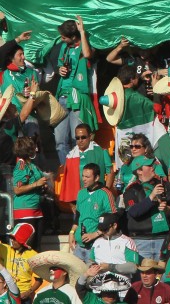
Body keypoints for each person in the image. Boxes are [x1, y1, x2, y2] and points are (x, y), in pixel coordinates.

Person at [51, 16, 95, 164]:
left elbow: (88, 55)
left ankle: (80, 172)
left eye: (64, 37)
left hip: (77, 98)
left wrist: (82, 31)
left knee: (77, 139)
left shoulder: (84, 46)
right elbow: (59, 66)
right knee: (60, 141)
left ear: (73, 37)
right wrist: (60, 70)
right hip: (62, 97)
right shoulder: (64, 48)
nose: (62, 39)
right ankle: (66, 171)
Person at [123, 156, 170, 261]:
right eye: (148, 165)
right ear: (139, 171)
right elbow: (134, 212)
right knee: (143, 274)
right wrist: (152, 197)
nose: (152, 167)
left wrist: (168, 210)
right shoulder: (131, 189)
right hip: (141, 240)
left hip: (164, 238)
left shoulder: (163, 184)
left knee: (163, 275)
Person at [71, 163, 117, 264]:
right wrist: (72, 233)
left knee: (93, 277)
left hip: (96, 246)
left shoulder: (105, 193)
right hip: (79, 247)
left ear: (96, 178)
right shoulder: (81, 193)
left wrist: (95, 234)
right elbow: (78, 216)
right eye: (83, 176)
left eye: (87, 177)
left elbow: (113, 218)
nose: (84, 179)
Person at [12, 137, 47, 251]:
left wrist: (42, 186)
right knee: (25, 247)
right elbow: (17, 189)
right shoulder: (21, 166)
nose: (36, 149)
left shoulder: (31, 165)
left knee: (36, 247)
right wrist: (36, 184)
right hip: (25, 210)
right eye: (33, 147)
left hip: (36, 210)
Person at [0, 223, 42, 304]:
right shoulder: (5, 249)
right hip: (7, 294)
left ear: (23, 241)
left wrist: (29, 292)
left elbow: (39, 280)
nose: (12, 240)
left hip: (24, 296)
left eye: (15, 239)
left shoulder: (34, 255)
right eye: (11, 238)